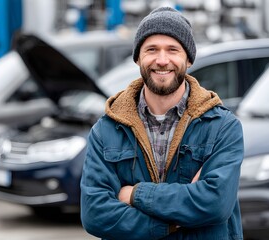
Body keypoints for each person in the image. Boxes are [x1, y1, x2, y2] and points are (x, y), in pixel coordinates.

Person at [80, 6, 244, 240]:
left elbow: (215, 204)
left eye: (173, 50)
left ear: (188, 58)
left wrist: (136, 194)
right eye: (152, 49)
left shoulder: (222, 127)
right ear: (138, 58)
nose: (162, 60)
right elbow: (95, 214)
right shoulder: (106, 130)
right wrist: (169, 224)